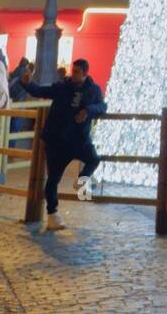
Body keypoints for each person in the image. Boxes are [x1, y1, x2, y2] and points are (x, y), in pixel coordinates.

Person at [21, 58, 106, 230]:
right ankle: (53, 215)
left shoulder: (93, 90)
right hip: (57, 140)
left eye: (76, 72)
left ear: (85, 73)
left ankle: (82, 180)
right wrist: (27, 84)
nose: (72, 74)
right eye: (71, 71)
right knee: (53, 179)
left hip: (79, 139)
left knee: (94, 159)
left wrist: (88, 111)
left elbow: (102, 106)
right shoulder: (62, 87)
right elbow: (40, 91)